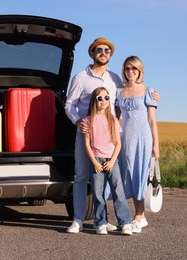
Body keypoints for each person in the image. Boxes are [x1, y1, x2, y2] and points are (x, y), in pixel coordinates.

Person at [64, 38, 159, 234]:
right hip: (86, 133)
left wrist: (154, 96)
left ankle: (112, 220)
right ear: (92, 53)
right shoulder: (80, 77)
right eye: (99, 50)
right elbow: (69, 104)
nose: (103, 53)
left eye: (107, 50)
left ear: (110, 54)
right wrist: (76, 120)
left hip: (110, 139)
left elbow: (127, 98)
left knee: (114, 180)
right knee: (82, 175)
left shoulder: (115, 79)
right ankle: (79, 219)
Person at [116, 56, 160, 233]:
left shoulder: (148, 91)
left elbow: (152, 120)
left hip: (143, 137)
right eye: (127, 68)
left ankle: (138, 216)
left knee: (140, 175)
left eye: (134, 68)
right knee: (130, 176)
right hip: (125, 138)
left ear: (140, 70)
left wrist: (156, 144)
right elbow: (115, 118)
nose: (130, 72)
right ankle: (140, 217)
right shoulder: (119, 92)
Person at [84, 87, 133, 235]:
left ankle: (125, 222)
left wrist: (112, 161)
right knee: (98, 193)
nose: (104, 101)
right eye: (100, 98)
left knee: (118, 191)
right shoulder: (88, 120)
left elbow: (118, 143)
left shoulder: (112, 119)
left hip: (112, 161)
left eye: (106, 98)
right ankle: (101, 223)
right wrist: (94, 162)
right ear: (94, 100)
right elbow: (87, 144)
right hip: (96, 161)